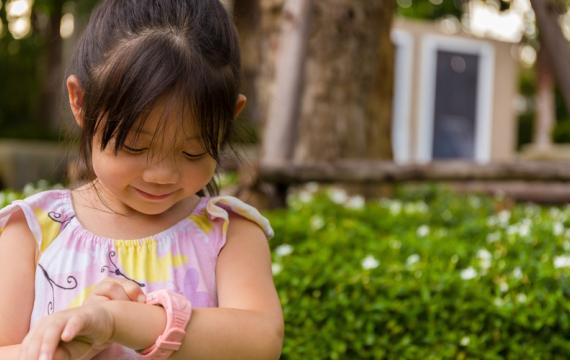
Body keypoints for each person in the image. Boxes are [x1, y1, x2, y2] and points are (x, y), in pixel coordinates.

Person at [0, 0, 284, 359]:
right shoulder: (34, 231)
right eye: (134, 146)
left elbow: (260, 340)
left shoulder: (228, 233)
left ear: (228, 118)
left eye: (192, 152)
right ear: (80, 103)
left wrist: (118, 321)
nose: (161, 175)